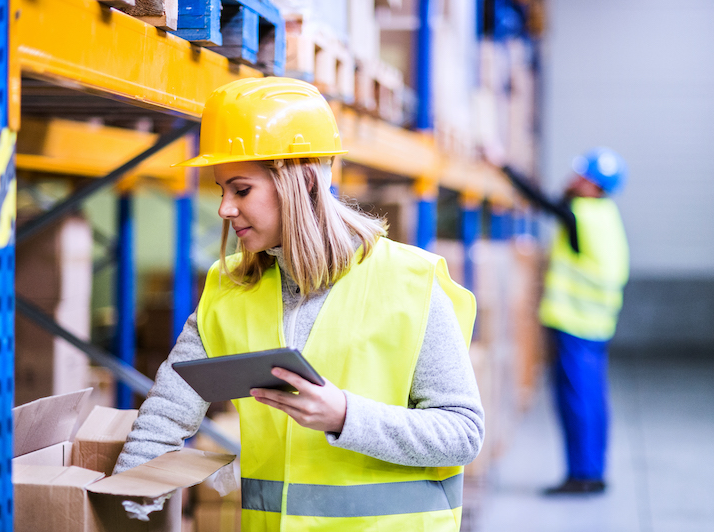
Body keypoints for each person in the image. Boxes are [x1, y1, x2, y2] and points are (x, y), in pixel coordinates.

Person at [113, 77, 484, 531]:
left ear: (304, 182)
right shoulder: (229, 289)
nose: (224, 209)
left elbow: (462, 434)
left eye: (241, 189)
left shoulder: (410, 282)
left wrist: (346, 416)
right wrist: (124, 502)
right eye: (221, 189)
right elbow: (167, 413)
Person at [502, 148, 630, 495]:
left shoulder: (582, 214)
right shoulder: (604, 214)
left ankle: (583, 475)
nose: (574, 180)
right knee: (592, 397)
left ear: (594, 186)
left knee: (577, 400)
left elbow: (542, 201)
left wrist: (504, 164)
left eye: (582, 177)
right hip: (596, 324)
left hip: (576, 323)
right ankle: (592, 471)